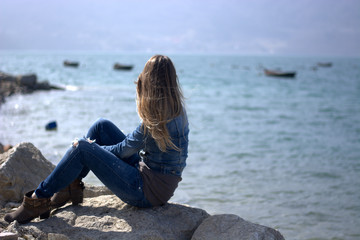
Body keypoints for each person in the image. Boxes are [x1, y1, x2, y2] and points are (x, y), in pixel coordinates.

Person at [5, 55, 189, 224]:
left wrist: (91, 149)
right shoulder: (176, 111)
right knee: (101, 126)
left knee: (82, 148)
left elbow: (122, 150)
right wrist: (93, 149)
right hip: (153, 181)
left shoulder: (155, 121)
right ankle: (71, 186)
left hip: (146, 192)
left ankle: (38, 200)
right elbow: (129, 147)